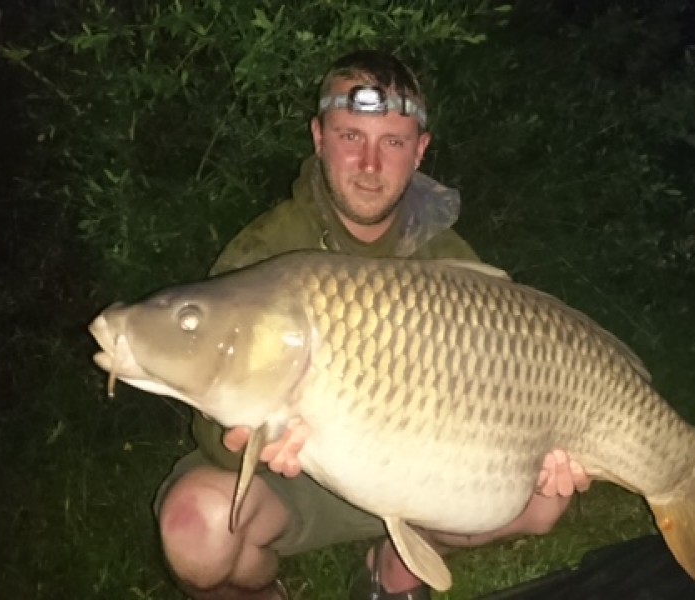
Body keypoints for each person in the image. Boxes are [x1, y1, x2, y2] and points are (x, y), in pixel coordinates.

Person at [155, 50, 591, 600]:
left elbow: (497, 394)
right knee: (196, 534)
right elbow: (210, 423)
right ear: (318, 137)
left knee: (544, 504)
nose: (369, 164)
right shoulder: (264, 255)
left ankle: (394, 568)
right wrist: (245, 442)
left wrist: (545, 451)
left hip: (412, 469)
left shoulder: (446, 255)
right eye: (350, 136)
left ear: (420, 152)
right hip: (296, 477)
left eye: (392, 142)